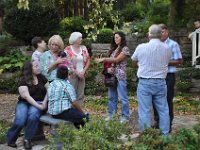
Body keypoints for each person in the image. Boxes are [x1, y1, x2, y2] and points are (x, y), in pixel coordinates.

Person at [131, 24, 171, 135]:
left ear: (149, 34)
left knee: (144, 111)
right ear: (160, 34)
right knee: (163, 110)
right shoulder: (167, 48)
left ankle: (146, 136)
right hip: (161, 82)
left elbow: (134, 60)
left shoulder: (141, 47)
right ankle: (165, 136)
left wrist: (141, 64)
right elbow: (166, 61)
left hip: (145, 82)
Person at [6, 60, 48, 149]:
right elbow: (26, 96)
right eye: (36, 66)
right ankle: (11, 139)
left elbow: (50, 90)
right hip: (24, 103)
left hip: (40, 102)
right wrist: (39, 106)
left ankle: (27, 139)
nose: (38, 67)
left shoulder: (41, 77)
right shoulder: (23, 80)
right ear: (30, 69)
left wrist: (44, 102)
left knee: (33, 116)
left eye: (38, 65)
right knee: (21, 119)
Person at [153, 24, 183, 132]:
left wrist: (165, 61)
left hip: (168, 76)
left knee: (167, 100)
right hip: (156, 76)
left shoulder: (173, 44)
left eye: (162, 31)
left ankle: (168, 124)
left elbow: (179, 60)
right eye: (159, 32)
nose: (160, 34)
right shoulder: (155, 44)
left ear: (167, 32)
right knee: (155, 99)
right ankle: (157, 122)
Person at [95, 31, 130, 123]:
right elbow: (109, 63)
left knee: (123, 97)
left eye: (117, 37)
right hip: (112, 76)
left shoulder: (125, 49)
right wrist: (108, 69)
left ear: (122, 38)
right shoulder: (113, 49)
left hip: (120, 76)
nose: (115, 39)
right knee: (111, 97)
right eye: (114, 37)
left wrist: (103, 59)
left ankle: (125, 116)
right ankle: (112, 115)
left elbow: (117, 60)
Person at [64, 32, 90, 107]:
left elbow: (88, 60)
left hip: (82, 75)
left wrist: (83, 71)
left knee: (81, 94)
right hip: (72, 75)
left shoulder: (83, 48)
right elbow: (67, 63)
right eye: (80, 38)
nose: (81, 39)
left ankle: (79, 113)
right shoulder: (68, 49)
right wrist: (77, 73)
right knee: (71, 94)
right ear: (75, 39)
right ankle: (70, 112)